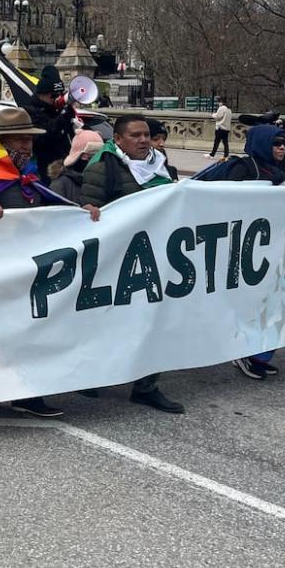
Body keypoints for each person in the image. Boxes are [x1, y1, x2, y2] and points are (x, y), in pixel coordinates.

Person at [0, 106, 100, 418]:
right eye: (19, 140)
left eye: (29, 139)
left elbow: (44, 202)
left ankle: (28, 392)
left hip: (27, 267)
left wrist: (77, 210)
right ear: (2, 143)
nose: (26, 146)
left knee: (30, 331)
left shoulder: (24, 171)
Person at [79, 114, 184, 414]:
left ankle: (146, 386)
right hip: (121, 259)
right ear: (119, 140)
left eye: (146, 135)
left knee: (154, 320)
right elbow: (89, 214)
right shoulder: (104, 166)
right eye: (135, 136)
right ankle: (92, 374)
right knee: (111, 322)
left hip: (157, 255)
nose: (143, 141)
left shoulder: (159, 162)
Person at [202, 125, 285, 379]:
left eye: (284, 143)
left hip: (269, 248)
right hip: (241, 249)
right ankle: (245, 351)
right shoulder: (242, 169)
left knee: (273, 301)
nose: (281, 148)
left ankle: (260, 352)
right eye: (276, 143)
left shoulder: (283, 172)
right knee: (250, 302)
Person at [23, 65, 76, 181]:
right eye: (53, 95)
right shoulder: (30, 111)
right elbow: (44, 136)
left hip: (65, 166)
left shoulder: (58, 110)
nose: (56, 98)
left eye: (59, 95)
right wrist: (63, 116)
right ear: (41, 94)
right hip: (44, 170)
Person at [47, 129, 105, 203]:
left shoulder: (106, 182)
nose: (95, 162)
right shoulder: (61, 185)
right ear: (77, 157)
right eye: (89, 157)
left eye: (98, 157)